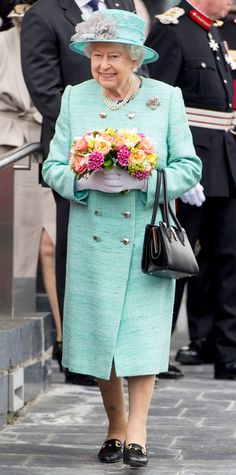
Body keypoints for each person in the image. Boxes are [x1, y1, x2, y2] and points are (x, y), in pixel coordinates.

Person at [42, 8, 201, 466]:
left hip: (146, 236)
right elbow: (53, 165)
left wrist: (143, 180)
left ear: (135, 58)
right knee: (100, 338)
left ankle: (138, 432)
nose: (103, 65)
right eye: (96, 55)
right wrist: (83, 181)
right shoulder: (75, 98)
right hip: (93, 234)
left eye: (113, 55)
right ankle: (114, 427)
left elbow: (189, 168)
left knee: (141, 336)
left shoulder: (165, 98)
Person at [21, 0, 145, 387]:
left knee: (129, 252)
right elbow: (45, 89)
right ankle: (80, 356)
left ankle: (123, 350)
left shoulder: (122, 4)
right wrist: (100, 139)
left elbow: (141, 69)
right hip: (79, 152)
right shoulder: (44, 13)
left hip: (134, 152)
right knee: (76, 253)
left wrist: (133, 136)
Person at [146, 0, 236, 379]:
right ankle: (152, 351)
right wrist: (175, 169)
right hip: (192, 166)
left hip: (226, 161)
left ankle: (227, 351)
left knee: (229, 256)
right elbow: (157, 104)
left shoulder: (209, 28)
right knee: (175, 260)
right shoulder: (172, 28)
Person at [0, 1, 62, 371]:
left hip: (48, 146)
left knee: (54, 243)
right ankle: (56, 335)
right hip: (12, 148)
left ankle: (65, 337)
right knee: (26, 245)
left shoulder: (59, 42)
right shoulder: (5, 43)